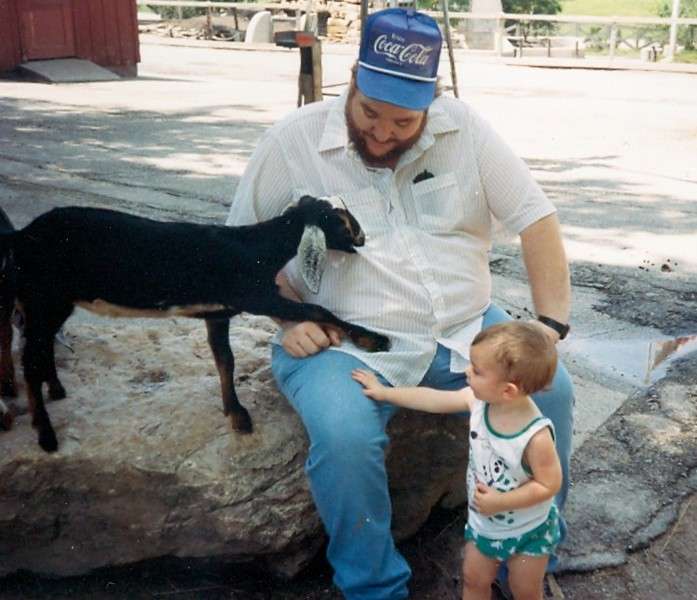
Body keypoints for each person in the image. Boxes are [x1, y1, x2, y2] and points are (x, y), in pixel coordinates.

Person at [227, 7, 574, 599]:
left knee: (553, 389)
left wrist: (548, 327)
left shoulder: (465, 129)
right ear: (352, 82)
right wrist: (286, 316)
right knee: (345, 436)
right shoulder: (291, 142)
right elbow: (238, 249)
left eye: (403, 121)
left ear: (431, 102)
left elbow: (536, 219)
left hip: (466, 328)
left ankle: (528, 559)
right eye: (369, 113)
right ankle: (375, 587)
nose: (383, 133)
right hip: (344, 339)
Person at [352, 321, 562, 600]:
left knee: (525, 590)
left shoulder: (534, 437)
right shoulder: (479, 401)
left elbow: (549, 484)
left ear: (508, 391)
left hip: (529, 532)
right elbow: (433, 400)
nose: (466, 371)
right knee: (473, 580)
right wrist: (385, 393)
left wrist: (502, 502)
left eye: (477, 370)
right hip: (484, 525)